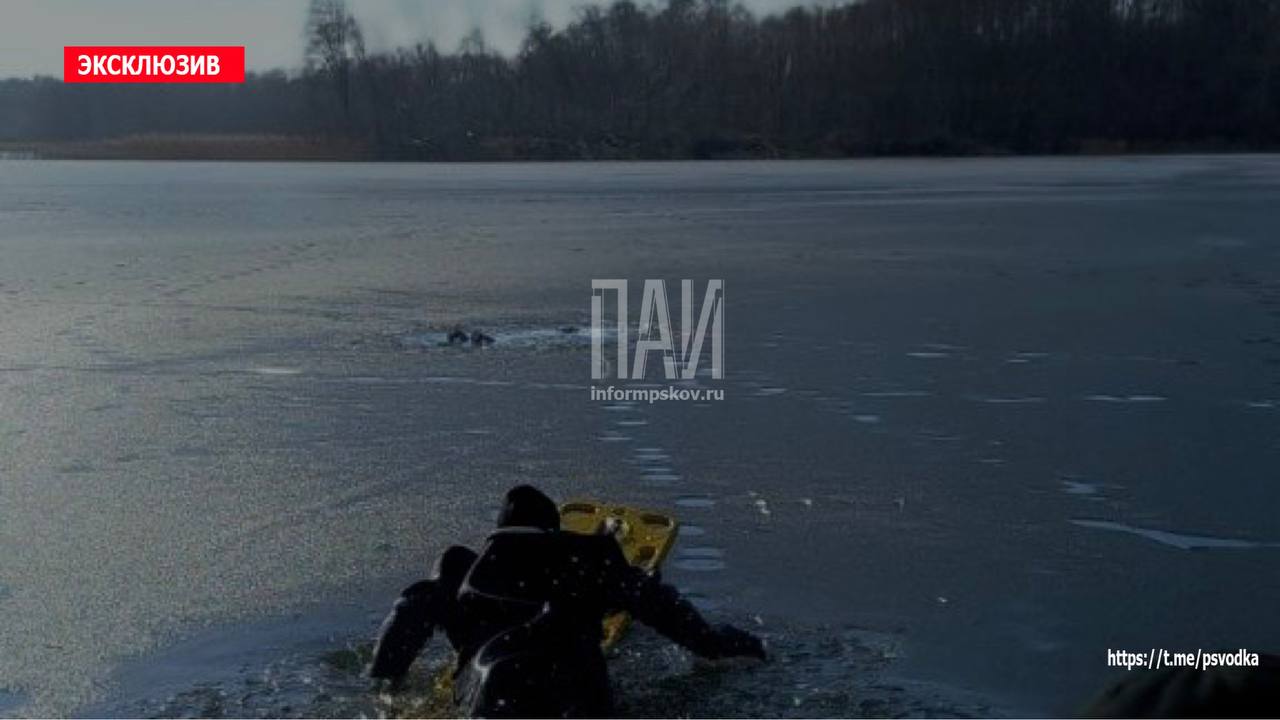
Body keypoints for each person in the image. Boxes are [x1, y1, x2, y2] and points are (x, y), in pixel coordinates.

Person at [368, 485, 766, 717]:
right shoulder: (592, 560)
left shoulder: (460, 570)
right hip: (573, 687)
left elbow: (411, 609)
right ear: (553, 531)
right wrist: (717, 643)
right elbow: (657, 603)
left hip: (488, 685)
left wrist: (388, 686)